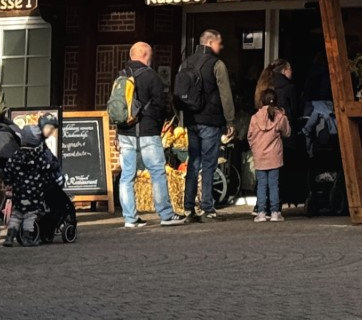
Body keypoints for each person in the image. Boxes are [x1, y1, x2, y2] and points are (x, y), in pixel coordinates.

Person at [113, 42, 183, 228]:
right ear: (145, 55)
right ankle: (166, 215)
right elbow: (161, 105)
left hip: (125, 132)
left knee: (127, 175)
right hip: (148, 132)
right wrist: (158, 126)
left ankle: (130, 218)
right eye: (150, 55)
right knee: (157, 173)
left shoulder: (121, 75)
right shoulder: (151, 77)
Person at [176, 29, 235, 222]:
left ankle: (188, 208)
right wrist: (230, 120)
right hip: (210, 120)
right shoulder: (217, 64)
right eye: (219, 43)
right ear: (210, 42)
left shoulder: (185, 63)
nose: (221, 46)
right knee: (209, 164)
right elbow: (225, 94)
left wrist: (182, 118)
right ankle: (208, 208)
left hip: (191, 120)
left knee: (193, 163)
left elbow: (179, 93)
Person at [246, 88, 290, 222]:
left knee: (261, 184)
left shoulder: (254, 118)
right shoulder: (280, 116)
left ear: (261, 101)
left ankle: (261, 212)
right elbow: (287, 133)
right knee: (273, 184)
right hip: (274, 155)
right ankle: (275, 212)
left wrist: (255, 149)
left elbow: (250, 136)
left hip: (260, 155)